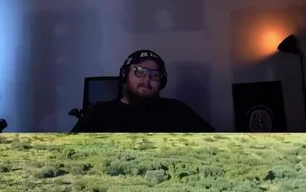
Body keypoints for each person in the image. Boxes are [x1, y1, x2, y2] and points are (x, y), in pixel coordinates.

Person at [70, 49, 215, 133]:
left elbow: (214, 143)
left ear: (162, 82)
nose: (147, 79)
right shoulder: (100, 112)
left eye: (155, 74)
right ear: (125, 75)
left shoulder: (176, 110)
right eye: (139, 71)